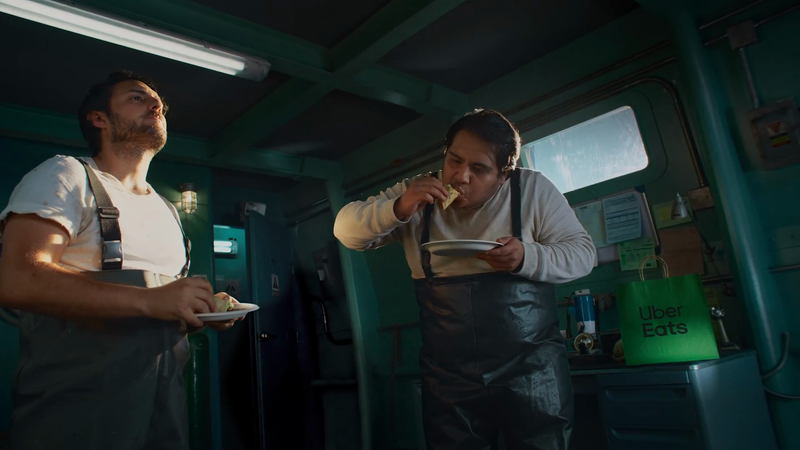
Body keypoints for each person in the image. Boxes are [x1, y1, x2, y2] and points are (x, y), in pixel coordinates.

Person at [0, 71, 239, 450]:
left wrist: (202, 312)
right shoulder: (67, 174)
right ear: (99, 118)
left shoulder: (168, 211)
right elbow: (17, 278)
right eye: (137, 98)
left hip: (165, 413)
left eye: (159, 103)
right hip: (75, 416)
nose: (156, 106)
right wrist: (147, 299)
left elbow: (162, 312)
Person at [334, 109, 596, 449]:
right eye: (454, 161)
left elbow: (583, 254)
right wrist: (398, 207)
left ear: (503, 175)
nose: (460, 177)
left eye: (479, 169)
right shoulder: (418, 192)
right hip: (449, 375)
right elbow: (345, 230)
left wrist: (526, 257)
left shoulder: (532, 189)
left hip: (532, 369)